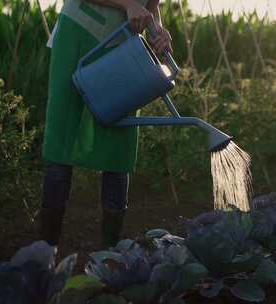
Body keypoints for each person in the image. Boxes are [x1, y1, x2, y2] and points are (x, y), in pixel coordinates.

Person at [39, 0, 172, 247]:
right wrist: (127, 4)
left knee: (120, 140)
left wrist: (158, 32)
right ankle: (46, 252)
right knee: (63, 134)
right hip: (79, 30)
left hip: (124, 45)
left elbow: (151, 6)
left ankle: (109, 256)